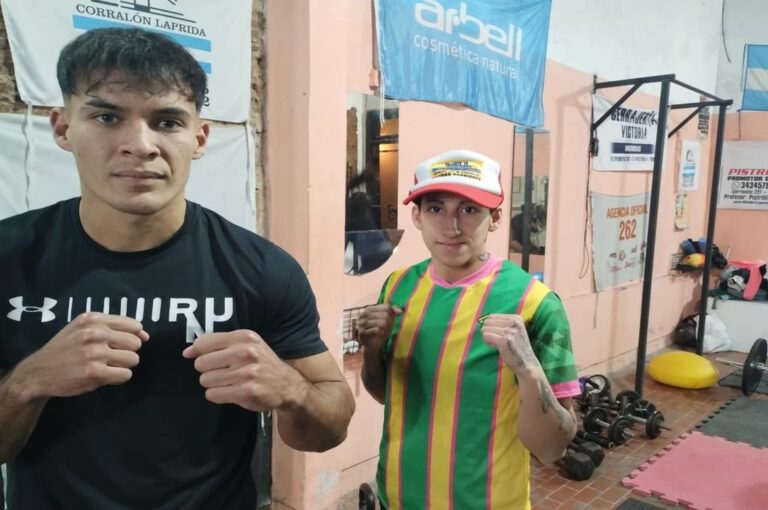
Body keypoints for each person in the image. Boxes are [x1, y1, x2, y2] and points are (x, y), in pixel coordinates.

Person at [0, 28, 354, 509]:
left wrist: (290, 390)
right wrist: (28, 382)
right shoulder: (9, 256)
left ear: (199, 137)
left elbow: (329, 427)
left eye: (166, 122)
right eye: (107, 117)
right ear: (62, 129)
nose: (140, 145)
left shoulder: (261, 268)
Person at [356, 150, 580, 510]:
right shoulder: (397, 287)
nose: (451, 227)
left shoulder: (535, 304)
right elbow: (387, 395)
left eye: (469, 209)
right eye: (435, 209)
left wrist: (528, 369)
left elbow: (553, 449)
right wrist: (371, 350)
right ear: (416, 216)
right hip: (395, 497)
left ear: (495, 217)